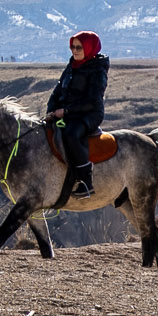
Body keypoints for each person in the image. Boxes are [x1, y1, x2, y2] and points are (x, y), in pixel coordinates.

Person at [47, 31, 109, 199]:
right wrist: (51, 111)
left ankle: (85, 182)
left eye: (79, 47)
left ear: (89, 48)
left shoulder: (97, 70)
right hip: (68, 113)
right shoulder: (72, 66)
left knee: (72, 134)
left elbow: (92, 101)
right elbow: (58, 91)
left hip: (90, 114)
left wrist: (66, 111)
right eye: (73, 47)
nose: (75, 50)